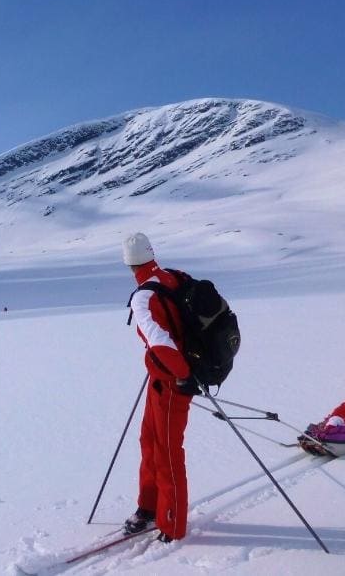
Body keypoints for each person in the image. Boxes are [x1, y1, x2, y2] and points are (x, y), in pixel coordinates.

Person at [121, 232, 200, 544]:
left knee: (167, 451)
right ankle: (149, 506)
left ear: (127, 264)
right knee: (150, 442)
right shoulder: (171, 277)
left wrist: (182, 375)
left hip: (172, 382)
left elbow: (163, 343)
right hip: (161, 379)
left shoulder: (143, 296)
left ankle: (172, 524)